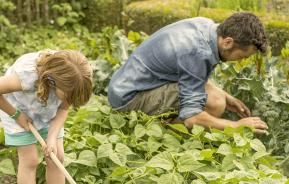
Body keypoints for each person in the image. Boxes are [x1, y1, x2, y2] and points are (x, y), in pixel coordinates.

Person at [108, 12, 269, 134]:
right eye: (242, 56)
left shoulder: (208, 27)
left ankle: (165, 122)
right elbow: (192, 118)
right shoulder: (198, 52)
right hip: (129, 99)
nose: (240, 61)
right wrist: (236, 126)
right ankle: (162, 131)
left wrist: (227, 96)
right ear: (228, 42)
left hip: (125, 84)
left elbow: (191, 72)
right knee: (215, 103)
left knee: (218, 95)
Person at [0, 50, 92, 184]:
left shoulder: (72, 81)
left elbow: (63, 108)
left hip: (48, 111)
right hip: (16, 108)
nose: (70, 100)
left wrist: (52, 136)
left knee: (57, 156)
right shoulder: (27, 76)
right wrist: (16, 115)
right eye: (68, 96)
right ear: (53, 81)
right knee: (30, 160)